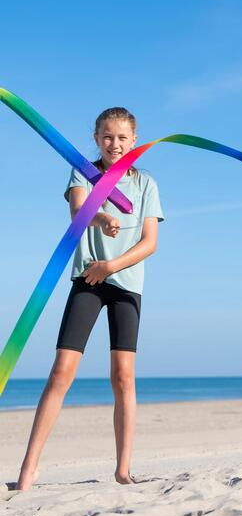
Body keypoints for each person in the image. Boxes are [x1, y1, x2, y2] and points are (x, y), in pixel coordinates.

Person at [17, 107, 164, 491]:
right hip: (87, 280)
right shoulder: (82, 170)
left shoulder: (146, 184)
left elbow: (150, 243)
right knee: (61, 371)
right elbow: (79, 209)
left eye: (121, 137)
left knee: (123, 377)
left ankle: (122, 469)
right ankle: (29, 470)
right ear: (96, 137)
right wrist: (102, 219)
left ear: (134, 141)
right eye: (107, 136)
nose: (114, 144)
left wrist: (111, 266)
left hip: (125, 284)